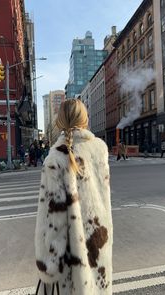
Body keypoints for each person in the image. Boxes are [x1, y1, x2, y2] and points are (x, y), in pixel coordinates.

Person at [35, 99, 113, 295]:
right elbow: (104, 200)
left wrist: (49, 266)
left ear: (60, 121)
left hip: (71, 258)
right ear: (84, 118)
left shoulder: (54, 158)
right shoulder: (99, 149)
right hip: (98, 245)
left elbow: (54, 219)